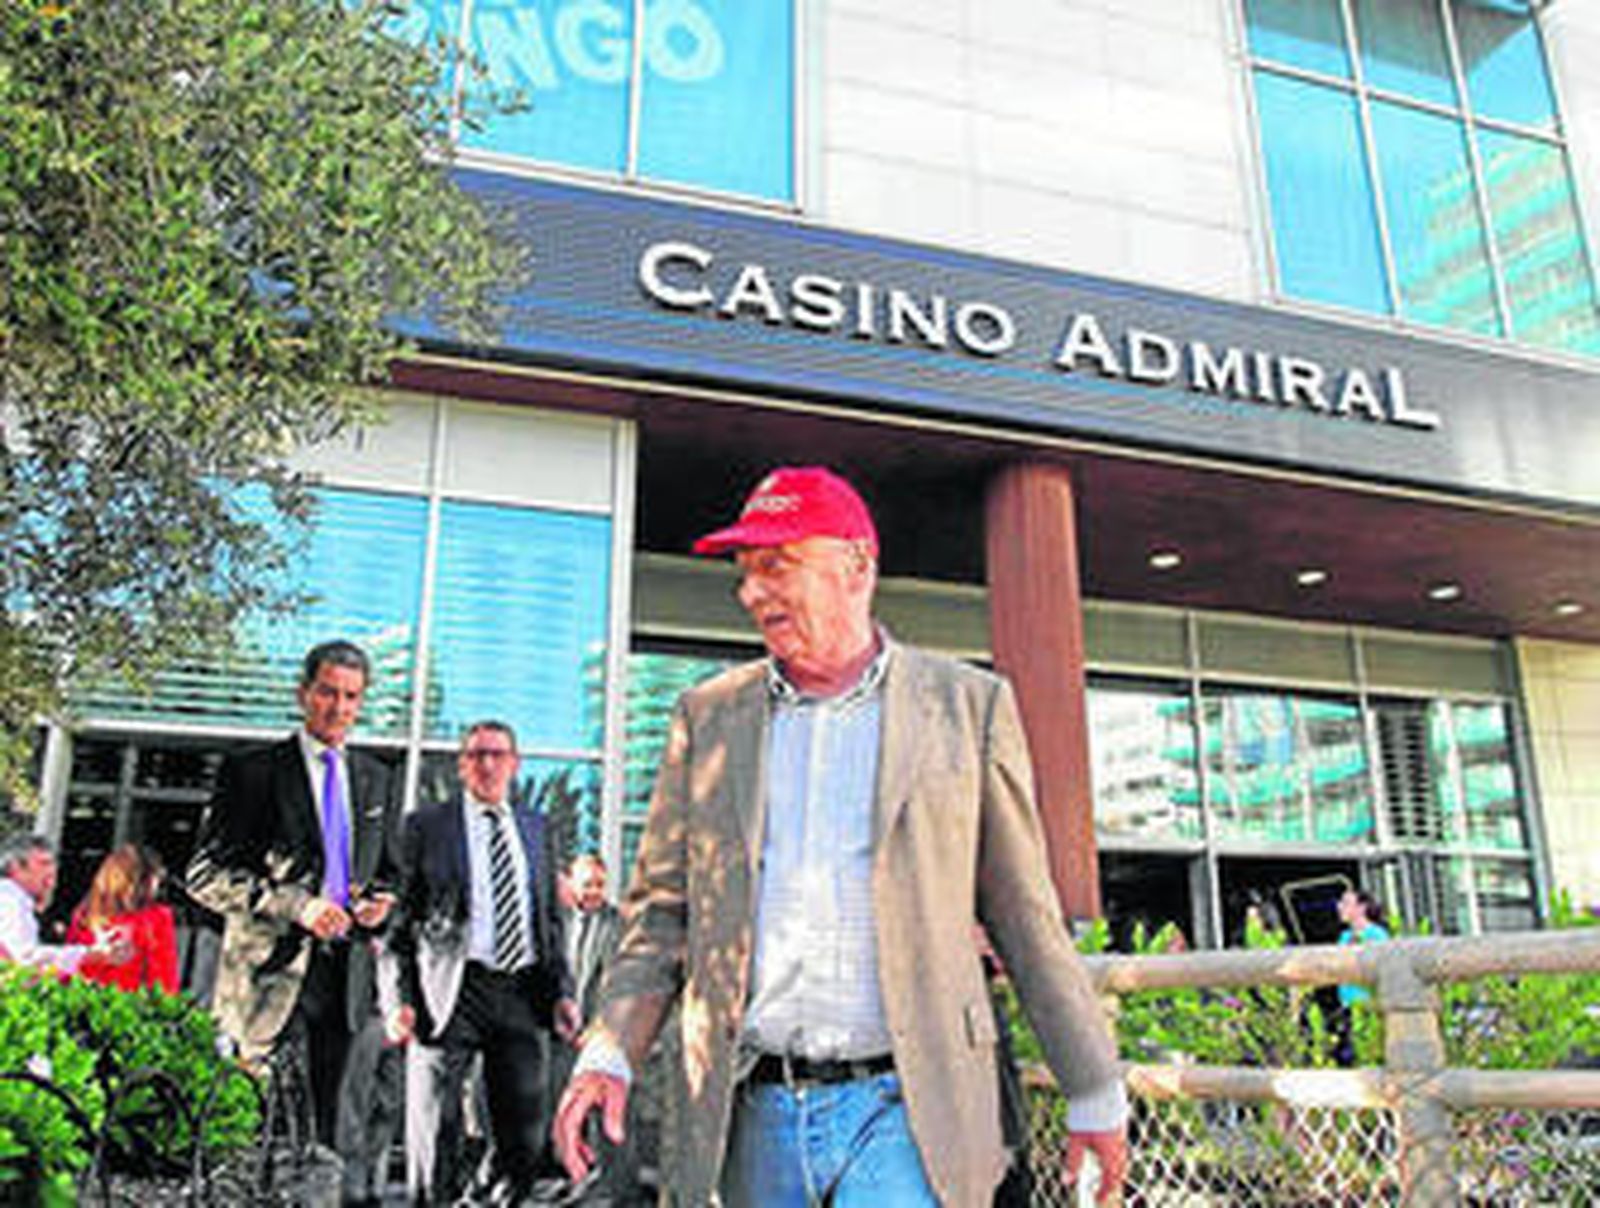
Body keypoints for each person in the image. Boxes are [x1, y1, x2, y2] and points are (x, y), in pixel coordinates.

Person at [554, 466, 1129, 1207]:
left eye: (775, 565)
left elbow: (1025, 914)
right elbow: (661, 914)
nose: (750, 592)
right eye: (744, 572)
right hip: (749, 1108)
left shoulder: (968, 707)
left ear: (857, 566)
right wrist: (609, 1049)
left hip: (909, 1110)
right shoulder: (707, 718)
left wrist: (1093, 1087)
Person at [185, 639, 403, 1207]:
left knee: (326, 1142)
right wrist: (297, 905)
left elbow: (390, 874)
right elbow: (205, 875)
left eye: (351, 696)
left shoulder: (376, 778)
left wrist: (382, 904)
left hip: (345, 984)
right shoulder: (253, 772)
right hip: (266, 983)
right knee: (254, 1138)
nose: (339, 707)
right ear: (303, 693)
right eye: (328, 692)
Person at [384, 720, 579, 1204]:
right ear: (461, 766)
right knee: (436, 1131)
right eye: (476, 755)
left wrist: (563, 992)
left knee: (524, 1137)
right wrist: (398, 999)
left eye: (497, 755)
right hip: (449, 990)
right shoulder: (427, 826)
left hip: (522, 992)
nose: (487, 765)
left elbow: (549, 920)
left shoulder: (537, 828)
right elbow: (399, 924)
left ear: (515, 764)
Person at [0, 833, 128, 974]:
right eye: (44, 863)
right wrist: (91, 953)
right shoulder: (11, 901)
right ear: (15, 867)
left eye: (53, 864)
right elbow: (25, 959)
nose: (52, 871)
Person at [66, 843, 178, 993]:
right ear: (145, 879)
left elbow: (68, 968)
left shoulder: (84, 915)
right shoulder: (156, 918)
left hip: (83, 999)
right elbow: (164, 981)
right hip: (130, 1003)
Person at [1334, 887, 1390, 1065]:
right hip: (1347, 1006)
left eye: (1346, 903)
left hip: (1368, 1006)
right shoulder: (1344, 937)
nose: (1339, 907)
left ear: (1361, 908)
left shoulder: (1377, 935)